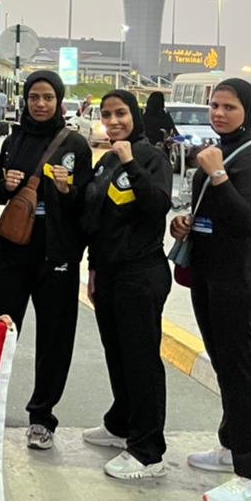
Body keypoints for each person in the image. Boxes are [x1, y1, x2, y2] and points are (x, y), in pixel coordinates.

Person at [169, 78, 251, 501]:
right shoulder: (222, 149)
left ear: (248, 111)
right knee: (225, 366)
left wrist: (217, 175)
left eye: (229, 107)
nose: (219, 113)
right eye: (214, 105)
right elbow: (213, 212)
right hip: (212, 273)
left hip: (243, 277)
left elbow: (250, 221)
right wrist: (185, 223)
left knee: (243, 372)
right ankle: (232, 447)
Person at [0, 69, 94, 452]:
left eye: (48, 97)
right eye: (34, 97)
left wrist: (66, 190)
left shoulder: (76, 145)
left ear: (59, 101)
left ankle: (42, 418)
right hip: (13, 253)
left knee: (54, 339)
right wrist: (6, 186)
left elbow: (86, 204)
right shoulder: (13, 141)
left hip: (57, 257)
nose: (41, 104)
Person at [81, 90, 173, 480]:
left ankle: (148, 451)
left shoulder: (152, 158)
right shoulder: (105, 161)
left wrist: (131, 163)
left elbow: (157, 206)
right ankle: (121, 423)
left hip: (141, 273)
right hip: (109, 273)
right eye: (107, 115)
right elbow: (96, 220)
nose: (113, 121)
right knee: (117, 354)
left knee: (141, 360)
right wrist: (93, 269)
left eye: (121, 113)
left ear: (135, 115)